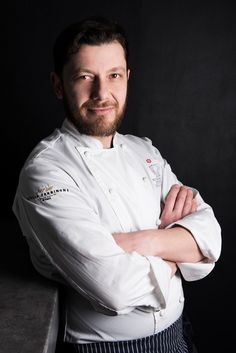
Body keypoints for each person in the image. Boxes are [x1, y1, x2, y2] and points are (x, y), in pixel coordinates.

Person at [12, 16, 221, 353]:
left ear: (127, 78)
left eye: (113, 76)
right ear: (57, 85)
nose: (102, 93)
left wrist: (135, 242)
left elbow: (211, 236)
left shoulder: (144, 150)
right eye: (84, 77)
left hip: (180, 336)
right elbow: (114, 287)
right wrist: (175, 251)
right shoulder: (45, 172)